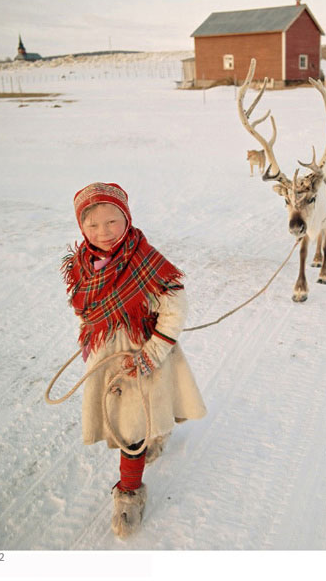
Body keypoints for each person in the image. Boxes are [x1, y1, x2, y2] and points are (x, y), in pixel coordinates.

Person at [61, 182, 207, 539]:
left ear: (126, 218)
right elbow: (84, 306)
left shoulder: (146, 262)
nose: (104, 232)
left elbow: (175, 308)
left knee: (131, 429)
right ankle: (153, 435)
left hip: (142, 355)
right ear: (82, 227)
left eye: (112, 221)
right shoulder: (82, 265)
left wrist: (151, 353)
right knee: (131, 419)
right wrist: (92, 332)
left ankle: (129, 493)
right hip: (106, 357)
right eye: (93, 225)